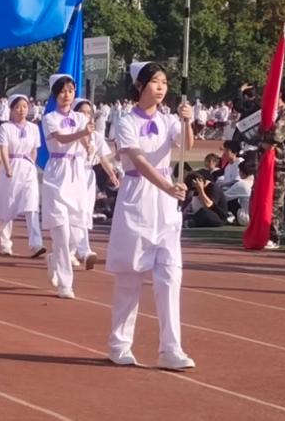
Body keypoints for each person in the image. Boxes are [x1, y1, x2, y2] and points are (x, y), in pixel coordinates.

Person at [106, 61, 196, 370]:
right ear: (139, 85)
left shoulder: (170, 119)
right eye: (155, 82)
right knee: (130, 276)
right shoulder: (125, 121)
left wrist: (187, 122)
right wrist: (167, 186)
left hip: (165, 207)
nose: (161, 88)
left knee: (170, 277)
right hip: (138, 198)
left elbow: (186, 145)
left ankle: (171, 349)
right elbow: (140, 161)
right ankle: (119, 344)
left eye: (165, 83)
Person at [40, 74, 93, 299]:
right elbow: (61, 139)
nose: (67, 95)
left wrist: (88, 143)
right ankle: (65, 284)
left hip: (76, 175)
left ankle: (55, 259)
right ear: (55, 94)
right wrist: (83, 133)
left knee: (75, 231)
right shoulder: (49, 118)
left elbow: (85, 141)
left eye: (70, 90)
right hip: (57, 173)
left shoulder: (80, 117)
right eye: (62, 91)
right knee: (61, 233)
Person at [0, 95, 44, 257]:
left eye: (25, 107)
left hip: (27, 168)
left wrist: (30, 163)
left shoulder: (33, 128)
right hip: (11, 167)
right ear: (12, 109)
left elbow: (34, 149)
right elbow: (3, 149)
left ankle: (36, 243)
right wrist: (7, 167)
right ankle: (5, 243)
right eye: (18, 107)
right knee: (8, 205)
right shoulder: (5, 128)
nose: (22, 110)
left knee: (31, 205)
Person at [74, 99, 119, 269]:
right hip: (73, 174)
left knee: (85, 213)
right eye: (82, 112)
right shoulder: (71, 134)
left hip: (88, 176)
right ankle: (79, 250)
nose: (85, 116)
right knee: (75, 213)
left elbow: (103, 158)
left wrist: (112, 174)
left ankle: (79, 250)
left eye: (88, 113)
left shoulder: (96, 136)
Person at [255, 92, 285, 249]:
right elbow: (258, 135)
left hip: (279, 165)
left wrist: (263, 140)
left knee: (274, 202)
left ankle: (273, 236)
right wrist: (263, 141)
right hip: (265, 164)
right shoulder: (270, 116)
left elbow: (275, 138)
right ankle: (260, 233)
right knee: (260, 198)